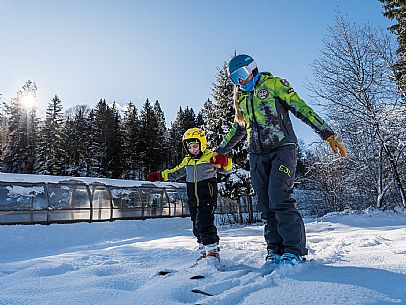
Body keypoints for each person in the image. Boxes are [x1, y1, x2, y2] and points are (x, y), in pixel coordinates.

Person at [213, 54, 347, 265]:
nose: (240, 82)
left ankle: (294, 250)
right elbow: (238, 129)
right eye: (234, 79)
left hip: (282, 147)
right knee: (265, 204)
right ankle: (274, 249)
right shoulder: (241, 99)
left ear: (253, 70)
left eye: (242, 75)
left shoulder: (274, 85)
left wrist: (327, 133)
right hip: (256, 153)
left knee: (279, 196)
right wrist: (221, 150)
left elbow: (301, 108)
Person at [147, 127, 232, 262]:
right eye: (190, 147)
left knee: (204, 223)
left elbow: (227, 170)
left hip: (207, 197)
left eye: (195, 146)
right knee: (196, 226)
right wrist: (160, 175)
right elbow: (175, 172)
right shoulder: (187, 161)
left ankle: (213, 251)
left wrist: (225, 162)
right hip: (193, 199)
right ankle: (204, 251)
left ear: (202, 144)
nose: (193, 149)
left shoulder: (210, 156)